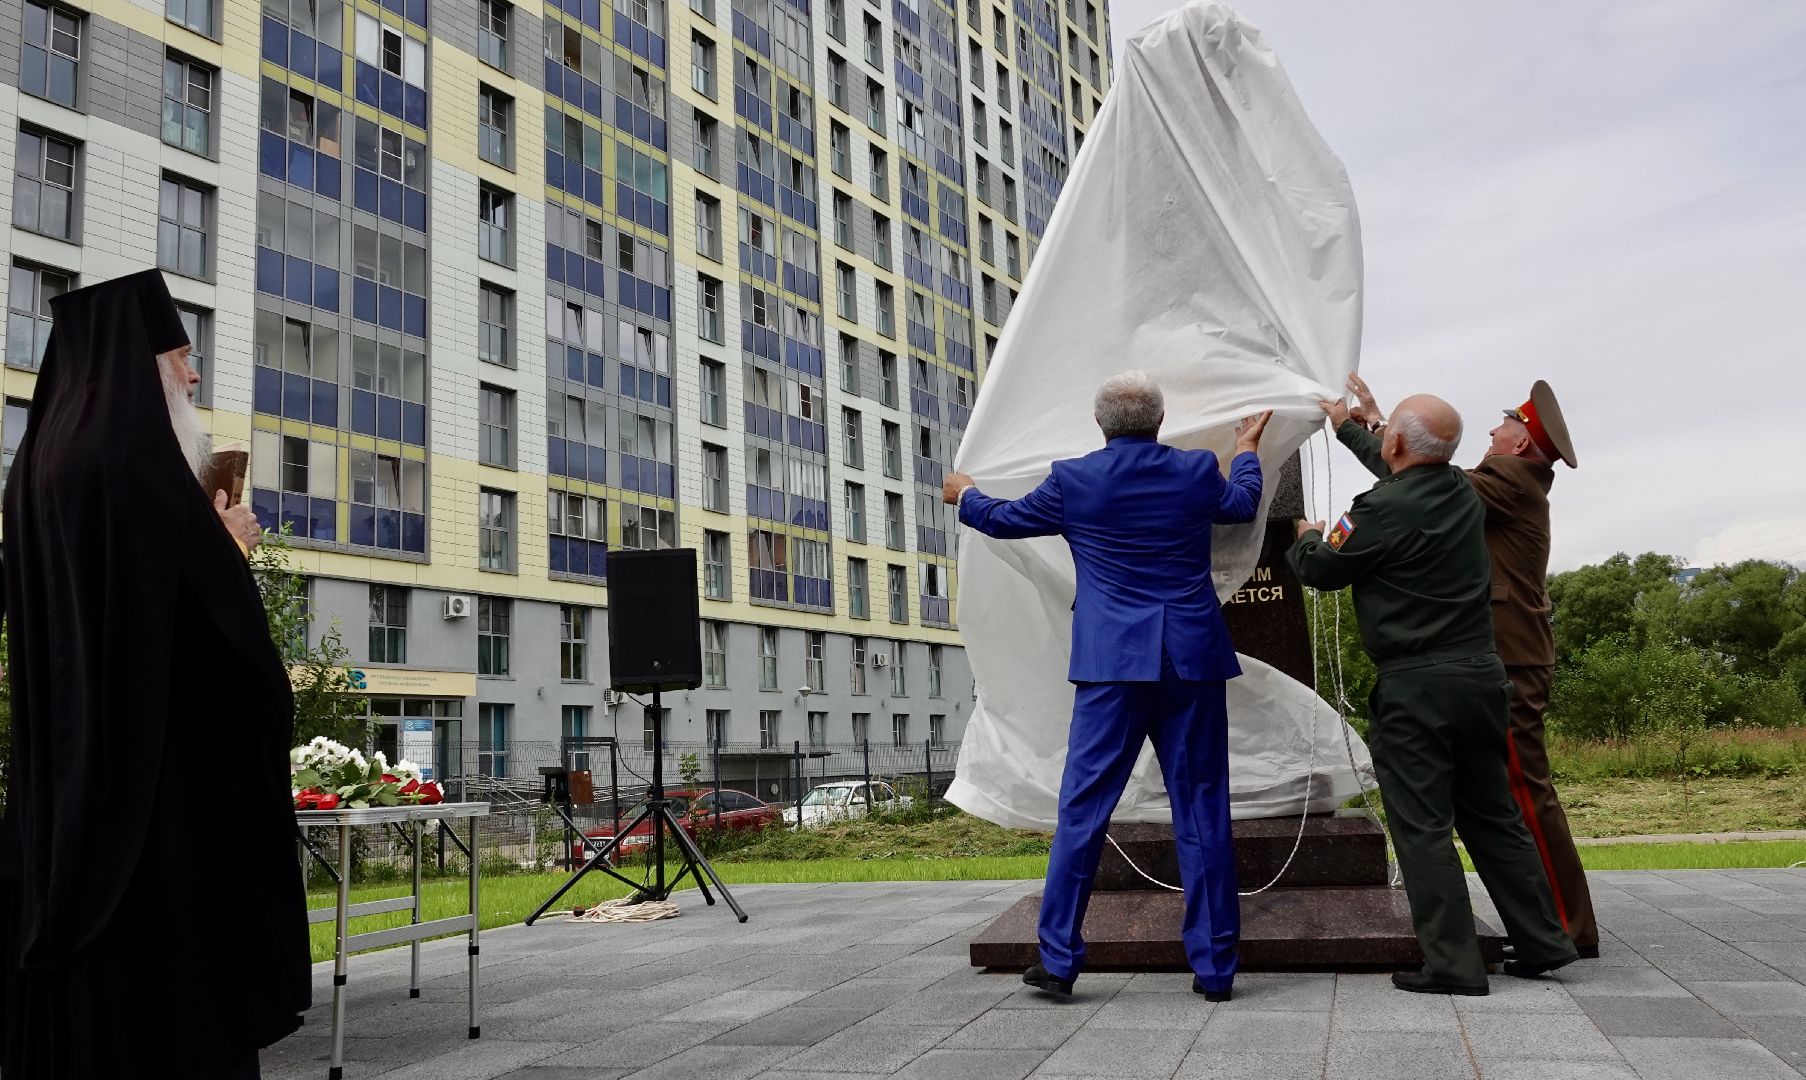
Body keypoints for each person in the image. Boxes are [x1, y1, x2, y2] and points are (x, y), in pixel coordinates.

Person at [0, 270, 309, 1077]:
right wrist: (230, 548)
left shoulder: (36, 468)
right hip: (156, 805)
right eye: (178, 355)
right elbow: (213, 634)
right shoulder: (134, 465)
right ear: (135, 362)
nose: (192, 374)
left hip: (67, 794)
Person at [941, 371, 1270, 1001]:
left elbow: (1007, 522)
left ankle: (1059, 961)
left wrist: (968, 495)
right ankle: (1215, 971)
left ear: (1100, 424)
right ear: (1161, 417)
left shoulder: (1075, 479)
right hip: (1192, 661)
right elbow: (1242, 504)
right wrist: (1248, 449)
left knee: (1083, 813)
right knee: (1202, 813)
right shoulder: (1198, 469)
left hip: (1113, 667)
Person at [1286, 393, 1575, 996]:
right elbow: (1408, 460)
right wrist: (1349, 427)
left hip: (1418, 688)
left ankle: (1452, 965)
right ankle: (1544, 940)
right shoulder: (1462, 492)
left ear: (1395, 444)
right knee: (1493, 816)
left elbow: (1319, 570)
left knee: (1421, 827)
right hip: (1481, 679)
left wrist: (1308, 535)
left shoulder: (1379, 510)